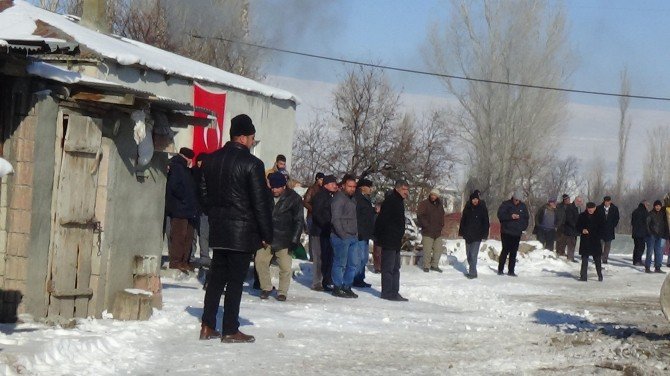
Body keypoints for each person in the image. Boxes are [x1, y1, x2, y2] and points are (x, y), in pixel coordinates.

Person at [199, 114, 273, 343]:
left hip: (219, 229)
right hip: (242, 231)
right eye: (252, 138)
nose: (252, 142)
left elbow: (202, 194)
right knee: (235, 281)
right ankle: (230, 328)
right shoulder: (252, 164)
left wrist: (215, 214)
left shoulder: (211, 160)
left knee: (216, 279)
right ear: (243, 137)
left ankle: (207, 325)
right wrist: (266, 234)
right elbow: (260, 203)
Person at [256, 172, 304, 301]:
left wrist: (294, 239)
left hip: (284, 238)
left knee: (285, 267)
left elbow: (299, 221)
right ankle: (266, 287)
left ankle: (282, 291)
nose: (274, 190)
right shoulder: (264, 196)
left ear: (283, 186)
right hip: (267, 237)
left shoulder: (294, 199)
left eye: (277, 187)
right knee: (260, 262)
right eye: (272, 187)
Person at [374, 180, 410, 301]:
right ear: (398, 188)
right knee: (388, 268)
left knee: (395, 268)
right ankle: (387, 292)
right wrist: (380, 237)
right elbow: (382, 221)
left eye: (407, 190)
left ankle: (394, 291)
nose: (407, 192)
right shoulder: (391, 201)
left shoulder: (399, 201)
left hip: (396, 240)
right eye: (404, 190)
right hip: (389, 239)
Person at [165, 147, 199, 273]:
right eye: (191, 159)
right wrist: (185, 198)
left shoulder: (184, 169)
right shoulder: (177, 167)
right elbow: (174, 187)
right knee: (179, 236)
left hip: (188, 209)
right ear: (187, 158)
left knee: (188, 237)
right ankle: (176, 261)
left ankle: (184, 261)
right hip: (180, 208)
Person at [329, 175, 360, 298]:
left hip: (353, 236)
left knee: (353, 264)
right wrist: (342, 234)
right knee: (340, 263)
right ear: (343, 186)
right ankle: (337, 287)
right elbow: (335, 219)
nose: (352, 189)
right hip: (341, 237)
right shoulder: (338, 199)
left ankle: (347, 286)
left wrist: (355, 233)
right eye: (350, 186)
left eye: (354, 187)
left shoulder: (352, 199)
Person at [310, 174, 338, 291]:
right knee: (319, 257)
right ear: (326, 184)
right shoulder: (320, 196)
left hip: (327, 232)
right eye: (333, 184)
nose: (335, 186)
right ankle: (317, 282)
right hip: (319, 231)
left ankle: (326, 280)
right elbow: (316, 213)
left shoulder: (331, 196)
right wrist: (325, 225)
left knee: (327, 257)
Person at [496, 190, 529, 276]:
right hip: (506, 232)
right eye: (516, 199)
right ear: (513, 198)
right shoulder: (506, 204)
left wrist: (522, 227)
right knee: (505, 250)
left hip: (517, 233)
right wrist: (510, 216)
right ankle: (500, 269)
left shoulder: (523, 207)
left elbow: (526, 219)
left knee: (514, 252)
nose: (517, 201)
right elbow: (500, 215)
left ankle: (511, 271)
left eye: (518, 200)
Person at [459, 192, 490, 279]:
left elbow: (486, 222)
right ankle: (473, 270)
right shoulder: (467, 207)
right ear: (471, 200)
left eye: (476, 199)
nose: (475, 201)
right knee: (468, 254)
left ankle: (472, 273)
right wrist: (462, 232)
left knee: (473, 254)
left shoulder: (482, 208)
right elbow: (463, 220)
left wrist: (485, 234)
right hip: (468, 235)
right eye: (473, 199)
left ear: (478, 199)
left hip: (478, 235)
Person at [417, 188, 446, 273]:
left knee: (438, 250)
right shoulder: (424, 204)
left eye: (435, 195)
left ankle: (434, 265)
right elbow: (420, 216)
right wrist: (426, 225)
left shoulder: (440, 205)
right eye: (432, 194)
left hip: (437, 231)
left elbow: (442, 216)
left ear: (437, 196)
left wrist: (442, 225)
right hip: (427, 231)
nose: (433, 196)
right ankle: (426, 266)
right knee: (427, 250)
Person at [353, 178, 375, 288]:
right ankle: (356, 278)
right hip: (360, 233)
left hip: (366, 232)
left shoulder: (366, 198)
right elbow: (358, 217)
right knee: (359, 258)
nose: (371, 189)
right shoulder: (358, 198)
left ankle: (360, 278)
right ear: (363, 187)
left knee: (364, 258)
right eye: (369, 187)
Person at [191, 152, 212, 268]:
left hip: (204, 209)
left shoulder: (209, 174)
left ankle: (204, 256)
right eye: (199, 161)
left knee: (204, 233)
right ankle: (191, 255)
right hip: (194, 208)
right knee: (193, 234)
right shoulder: (192, 172)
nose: (200, 163)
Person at [577, 202, 604, 282]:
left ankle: (600, 275)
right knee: (584, 259)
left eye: (592, 208)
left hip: (595, 240)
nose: (590, 210)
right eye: (589, 208)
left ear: (595, 208)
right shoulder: (582, 216)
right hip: (585, 240)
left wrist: (598, 235)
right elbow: (577, 226)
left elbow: (603, 228)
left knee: (597, 259)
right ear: (587, 208)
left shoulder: (600, 216)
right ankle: (583, 276)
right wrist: (582, 230)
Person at [303, 172, 325, 260]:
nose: (322, 181)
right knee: (312, 237)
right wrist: (313, 209)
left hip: (320, 216)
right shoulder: (312, 189)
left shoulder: (323, 189)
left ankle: (317, 256)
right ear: (317, 179)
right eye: (321, 179)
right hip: (312, 216)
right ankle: (312, 257)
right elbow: (305, 202)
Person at [556, 195, 581, 262]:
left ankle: (569, 256)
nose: (580, 202)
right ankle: (566, 256)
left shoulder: (577, 207)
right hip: (567, 228)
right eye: (579, 201)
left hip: (573, 229)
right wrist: (576, 225)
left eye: (580, 201)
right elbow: (569, 218)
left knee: (572, 243)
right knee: (565, 242)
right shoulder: (569, 207)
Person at [645, 200, 668, 274]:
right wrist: (650, 233)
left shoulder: (662, 214)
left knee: (658, 252)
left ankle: (657, 267)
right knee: (650, 252)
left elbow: (664, 224)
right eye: (656, 206)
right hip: (651, 236)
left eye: (659, 206)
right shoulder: (650, 214)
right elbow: (647, 224)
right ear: (654, 206)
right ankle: (647, 267)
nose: (658, 207)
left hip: (659, 236)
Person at [596, 196, 620, 264]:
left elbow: (617, 218)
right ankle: (599, 257)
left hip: (609, 230)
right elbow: (596, 218)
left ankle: (605, 258)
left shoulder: (614, 208)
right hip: (600, 230)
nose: (606, 203)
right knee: (599, 245)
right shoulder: (599, 208)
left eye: (608, 201)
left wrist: (613, 225)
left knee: (607, 245)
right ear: (604, 201)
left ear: (610, 201)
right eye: (605, 201)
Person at [630, 201, 649, 266]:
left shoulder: (635, 211)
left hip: (635, 232)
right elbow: (647, 223)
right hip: (642, 233)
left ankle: (635, 260)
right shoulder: (645, 212)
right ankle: (638, 260)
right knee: (641, 247)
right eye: (647, 204)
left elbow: (632, 222)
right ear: (644, 204)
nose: (647, 206)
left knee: (636, 247)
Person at [372, 202, 383, 273]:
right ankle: (377, 267)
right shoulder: (374, 215)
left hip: (381, 236)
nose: (377, 208)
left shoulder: (383, 216)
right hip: (375, 236)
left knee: (380, 253)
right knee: (376, 253)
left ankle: (380, 267)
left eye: (378, 207)